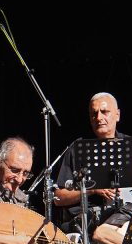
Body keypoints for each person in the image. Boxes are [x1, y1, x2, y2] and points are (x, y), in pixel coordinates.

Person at [54, 92, 127, 233]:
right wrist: (92, 190)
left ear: (117, 115)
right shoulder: (77, 149)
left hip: (125, 220)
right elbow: (58, 198)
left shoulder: (131, 147)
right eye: (94, 114)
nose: (99, 118)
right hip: (86, 225)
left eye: (104, 112)